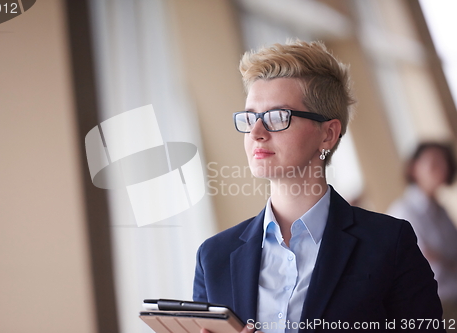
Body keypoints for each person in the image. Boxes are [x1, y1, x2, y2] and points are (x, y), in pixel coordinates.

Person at [193, 40, 444, 333]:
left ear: (328, 134)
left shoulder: (389, 244)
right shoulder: (213, 257)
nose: (257, 132)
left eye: (277, 117)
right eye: (250, 117)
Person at [388, 142, 457, 322]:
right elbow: (425, 259)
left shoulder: (441, 210)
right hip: (436, 306)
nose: (441, 168)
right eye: (434, 162)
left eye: (444, 162)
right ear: (413, 168)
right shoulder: (404, 212)